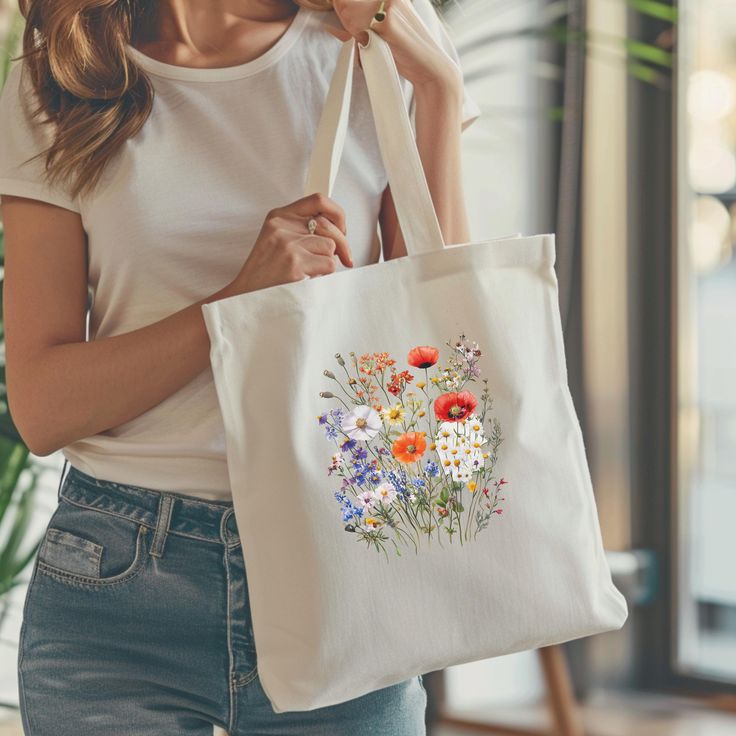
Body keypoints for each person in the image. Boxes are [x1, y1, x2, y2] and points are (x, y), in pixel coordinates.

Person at [0, 0, 481, 732]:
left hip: (338, 563)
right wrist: (238, 302)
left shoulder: (373, 51)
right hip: (119, 587)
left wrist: (440, 91)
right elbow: (42, 407)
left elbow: (440, 354)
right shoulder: (68, 76)